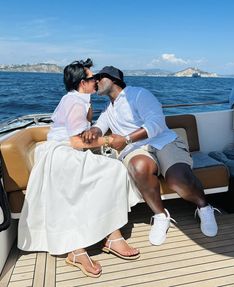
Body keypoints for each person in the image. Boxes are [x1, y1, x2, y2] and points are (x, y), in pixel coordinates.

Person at [18, 60, 139, 278]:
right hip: (62, 155)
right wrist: (110, 140)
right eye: (93, 78)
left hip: (63, 151)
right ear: (83, 83)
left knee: (109, 171)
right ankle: (85, 246)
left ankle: (110, 235)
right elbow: (75, 142)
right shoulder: (76, 102)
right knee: (114, 171)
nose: (96, 81)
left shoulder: (79, 99)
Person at [81, 65, 219, 246]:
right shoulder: (109, 108)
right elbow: (100, 125)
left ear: (113, 79)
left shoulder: (139, 94)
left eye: (99, 77)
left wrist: (127, 139)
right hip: (136, 149)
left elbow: (156, 123)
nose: (96, 81)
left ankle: (204, 207)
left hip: (163, 141)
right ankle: (161, 216)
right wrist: (93, 130)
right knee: (139, 166)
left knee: (177, 179)